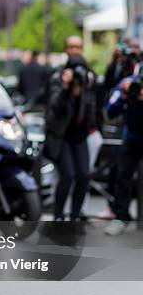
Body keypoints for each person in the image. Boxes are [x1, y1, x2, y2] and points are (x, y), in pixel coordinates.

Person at [44, 37, 97, 221]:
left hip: (80, 135)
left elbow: (93, 105)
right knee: (67, 176)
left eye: (78, 47)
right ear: (66, 49)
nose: (75, 50)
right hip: (61, 136)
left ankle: (74, 218)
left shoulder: (87, 77)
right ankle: (58, 217)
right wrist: (66, 88)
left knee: (83, 176)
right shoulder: (57, 77)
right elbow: (54, 108)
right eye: (72, 47)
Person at [104, 68, 143, 235]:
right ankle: (121, 216)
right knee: (122, 177)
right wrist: (124, 96)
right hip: (132, 138)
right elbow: (110, 110)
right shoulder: (127, 83)